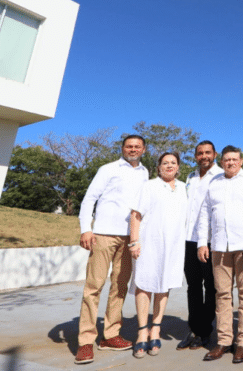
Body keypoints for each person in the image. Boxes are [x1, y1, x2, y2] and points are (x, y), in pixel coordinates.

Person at [74, 135, 149, 365]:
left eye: (137, 146)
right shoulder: (108, 169)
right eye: (129, 146)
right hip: (104, 235)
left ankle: (111, 335)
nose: (133, 149)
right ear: (122, 148)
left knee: (120, 285)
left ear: (143, 149)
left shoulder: (145, 173)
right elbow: (90, 199)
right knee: (93, 286)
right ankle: (86, 341)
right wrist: (86, 229)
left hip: (130, 237)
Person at [197, 146, 243, 364]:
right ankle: (224, 340)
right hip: (219, 246)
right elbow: (205, 214)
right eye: (227, 160)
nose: (230, 163)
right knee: (222, 294)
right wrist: (202, 242)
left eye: (234, 159)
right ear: (222, 161)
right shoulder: (214, 182)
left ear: (241, 161)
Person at [129, 152, 188, 358]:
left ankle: (156, 328)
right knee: (144, 284)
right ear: (158, 167)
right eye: (165, 163)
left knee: (164, 285)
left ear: (178, 167)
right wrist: (134, 241)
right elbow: (135, 214)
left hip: (173, 246)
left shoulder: (183, 188)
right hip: (149, 243)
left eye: (173, 163)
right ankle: (142, 332)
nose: (169, 166)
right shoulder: (150, 186)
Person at [177, 141, 223, 351]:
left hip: (211, 240)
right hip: (189, 239)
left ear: (214, 154)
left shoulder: (222, 176)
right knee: (193, 287)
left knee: (211, 287)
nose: (204, 156)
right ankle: (194, 329)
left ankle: (205, 330)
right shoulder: (190, 177)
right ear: (195, 156)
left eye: (207, 153)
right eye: (200, 153)